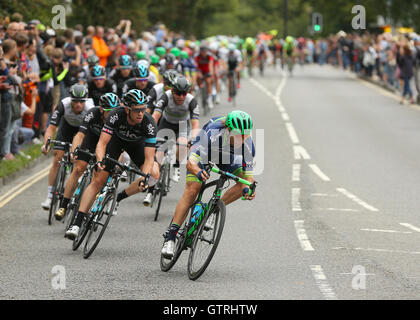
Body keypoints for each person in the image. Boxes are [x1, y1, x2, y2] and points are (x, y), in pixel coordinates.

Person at [65, 89, 159, 239]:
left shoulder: (149, 124)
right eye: (137, 110)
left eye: (143, 109)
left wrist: (145, 177)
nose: (141, 113)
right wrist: (100, 161)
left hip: (137, 146)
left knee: (154, 174)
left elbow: (149, 158)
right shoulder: (116, 115)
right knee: (98, 180)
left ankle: (119, 197)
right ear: (127, 109)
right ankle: (77, 223)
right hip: (115, 142)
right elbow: (102, 143)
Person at [161, 110, 256, 258]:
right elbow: (191, 163)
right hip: (203, 152)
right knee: (193, 189)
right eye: (238, 134)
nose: (242, 139)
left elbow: (248, 178)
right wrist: (198, 171)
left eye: (245, 134)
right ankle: (171, 237)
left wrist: (248, 189)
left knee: (243, 181)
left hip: (226, 157)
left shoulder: (248, 144)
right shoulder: (214, 132)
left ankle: (213, 208)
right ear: (228, 130)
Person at [54, 93, 120, 220]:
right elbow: (80, 135)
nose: (112, 114)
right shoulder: (93, 113)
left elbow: (119, 147)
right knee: (78, 169)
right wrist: (74, 151)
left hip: (107, 144)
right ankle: (63, 205)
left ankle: (86, 208)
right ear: (101, 110)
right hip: (90, 140)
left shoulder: (118, 119)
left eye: (114, 111)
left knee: (98, 175)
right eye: (108, 111)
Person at [40, 84, 95, 210]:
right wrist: (46, 144)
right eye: (75, 101)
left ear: (85, 101)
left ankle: (73, 188)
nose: (78, 104)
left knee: (76, 159)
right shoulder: (63, 105)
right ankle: (49, 196)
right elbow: (51, 128)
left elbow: (90, 133)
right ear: (70, 99)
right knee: (57, 157)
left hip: (83, 132)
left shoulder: (90, 109)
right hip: (67, 129)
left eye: (81, 101)